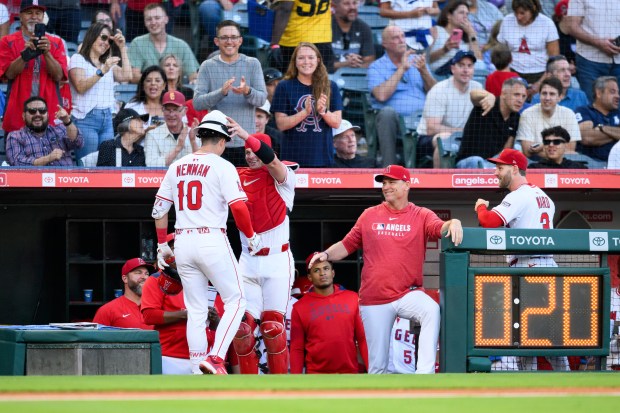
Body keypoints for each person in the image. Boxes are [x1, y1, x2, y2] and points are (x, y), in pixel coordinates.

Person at [308, 164, 463, 374]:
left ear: (407, 185)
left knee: (431, 310)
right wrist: (325, 254)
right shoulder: (369, 215)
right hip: (375, 298)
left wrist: (453, 222)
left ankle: (424, 375)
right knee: (378, 366)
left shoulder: (421, 214)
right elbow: (347, 245)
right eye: (384, 183)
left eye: (392, 182)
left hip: (407, 293)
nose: (386, 187)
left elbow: (438, 227)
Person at [152, 109, 262, 375]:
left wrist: (162, 245)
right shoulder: (223, 166)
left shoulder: (177, 165)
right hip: (211, 236)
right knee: (237, 300)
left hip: (183, 241)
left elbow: (158, 209)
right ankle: (215, 358)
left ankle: (196, 368)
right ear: (223, 140)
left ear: (201, 136)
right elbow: (238, 207)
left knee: (197, 310)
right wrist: (251, 236)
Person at [473, 148, 570, 372]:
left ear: (515, 168)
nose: (495, 173)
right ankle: (566, 380)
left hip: (529, 268)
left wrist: (480, 206)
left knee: (524, 333)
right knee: (549, 335)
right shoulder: (543, 196)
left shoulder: (518, 195)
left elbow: (488, 221)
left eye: (500, 168)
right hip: (549, 268)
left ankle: (529, 381)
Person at [221, 121, 298, 375]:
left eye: (255, 150)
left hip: (277, 261)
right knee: (242, 329)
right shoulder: (237, 175)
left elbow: (273, 163)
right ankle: (248, 389)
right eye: (246, 151)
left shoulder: (284, 176)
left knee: (273, 327)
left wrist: (245, 134)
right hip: (248, 260)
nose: (250, 155)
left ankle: (279, 389)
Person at [140, 233, 220, 375]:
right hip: (170, 356)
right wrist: (186, 315)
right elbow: (149, 315)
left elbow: (216, 326)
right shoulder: (157, 279)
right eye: (175, 249)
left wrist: (215, 319)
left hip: (205, 355)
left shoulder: (205, 280)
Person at [193, 20, 267, 167]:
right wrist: (221, 92)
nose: (229, 41)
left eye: (233, 37)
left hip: (246, 143)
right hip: (217, 143)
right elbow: (197, 103)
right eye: (224, 37)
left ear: (240, 40)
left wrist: (247, 91)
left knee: (245, 188)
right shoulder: (207, 66)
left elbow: (261, 100)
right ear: (216, 41)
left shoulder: (253, 64)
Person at [368, 25, 436, 167]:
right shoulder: (376, 67)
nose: (401, 40)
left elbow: (436, 94)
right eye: (395, 38)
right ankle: (390, 168)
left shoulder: (417, 60)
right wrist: (402, 69)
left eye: (403, 36)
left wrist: (424, 71)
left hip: (423, 120)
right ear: (384, 44)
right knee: (386, 113)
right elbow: (381, 95)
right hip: (396, 121)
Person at [289, 252, 369, 374]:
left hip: (349, 373)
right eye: (316, 270)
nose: (322, 273)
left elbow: (362, 339)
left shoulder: (352, 298)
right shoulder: (299, 307)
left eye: (326, 268)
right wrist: (295, 381)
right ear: (310, 277)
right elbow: (297, 348)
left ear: (333, 272)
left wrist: (373, 371)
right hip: (316, 375)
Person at [0, 0, 67, 135]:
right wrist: (24, 56)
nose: (34, 16)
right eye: (29, 12)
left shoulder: (55, 42)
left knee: (52, 155)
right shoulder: (7, 41)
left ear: (43, 16)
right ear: (20, 16)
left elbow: (59, 76)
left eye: (38, 13)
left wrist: (47, 53)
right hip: (18, 112)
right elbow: (8, 75)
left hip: (49, 113)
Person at [69, 22, 132, 161]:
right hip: (85, 120)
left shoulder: (106, 63)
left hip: (107, 120)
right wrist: (103, 71)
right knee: (87, 166)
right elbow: (80, 87)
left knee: (106, 165)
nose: (106, 43)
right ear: (92, 36)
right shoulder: (78, 59)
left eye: (109, 40)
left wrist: (122, 48)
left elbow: (127, 76)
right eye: (103, 37)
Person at [272, 42, 343, 167]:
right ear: (295, 61)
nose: (306, 62)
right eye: (301, 58)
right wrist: (305, 112)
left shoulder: (331, 86)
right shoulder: (284, 86)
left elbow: (336, 122)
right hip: (291, 160)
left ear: (318, 60)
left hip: (322, 159)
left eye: (310, 57)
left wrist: (323, 111)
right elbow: (281, 124)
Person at [416, 50, 483, 168]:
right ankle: (440, 183)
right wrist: (461, 131)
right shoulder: (439, 90)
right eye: (461, 65)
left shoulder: (477, 88)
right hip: (427, 140)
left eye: (469, 66)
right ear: (453, 69)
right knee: (445, 139)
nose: (466, 70)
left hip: (462, 137)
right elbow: (431, 128)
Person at [456, 77, 527, 168]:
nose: (520, 100)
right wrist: (489, 95)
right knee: (477, 160)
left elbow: (506, 150)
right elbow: (473, 94)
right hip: (468, 162)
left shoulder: (516, 117)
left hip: (491, 165)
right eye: (516, 95)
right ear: (504, 94)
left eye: (523, 96)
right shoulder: (487, 103)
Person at [561, 0, 620, 103]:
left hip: (618, 62)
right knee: (591, 106)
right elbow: (572, 27)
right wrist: (598, 43)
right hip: (589, 61)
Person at [128, 4, 199, 84]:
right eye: (149, 19)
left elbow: (193, 75)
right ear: (144, 22)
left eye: (157, 18)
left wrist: (193, 80)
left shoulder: (181, 45)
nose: (153, 22)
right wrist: (158, 81)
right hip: (147, 93)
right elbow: (133, 76)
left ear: (166, 19)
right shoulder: (137, 43)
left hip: (175, 93)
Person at [497, 0, 559, 90]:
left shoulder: (547, 23)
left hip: (539, 73)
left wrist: (540, 83)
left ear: (533, 9)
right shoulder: (507, 21)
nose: (518, 17)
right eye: (516, 13)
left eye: (522, 13)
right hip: (512, 72)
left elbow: (554, 60)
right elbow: (500, 53)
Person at [6, 96, 83, 166]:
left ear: (47, 114)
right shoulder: (15, 136)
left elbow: (78, 143)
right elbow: (16, 162)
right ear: (24, 116)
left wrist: (67, 121)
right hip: (32, 180)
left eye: (42, 111)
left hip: (64, 178)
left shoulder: (60, 129)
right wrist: (48, 158)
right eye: (32, 111)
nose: (37, 114)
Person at [516, 76, 581, 158]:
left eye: (552, 94)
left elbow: (570, 150)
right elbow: (527, 151)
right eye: (544, 93)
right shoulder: (527, 114)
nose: (547, 98)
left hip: (562, 165)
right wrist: (556, 149)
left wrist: (542, 147)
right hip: (534, 163)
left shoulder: (569, 114)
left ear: (560, 97)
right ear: (539, 95)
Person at [268, 0, 335, 74]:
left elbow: (285, 9)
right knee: (320, 80)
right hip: (323, 39)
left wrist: (274, 42)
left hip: (295, 40)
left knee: (292, 81)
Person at [93, 257, 155, 329]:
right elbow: (95, 338)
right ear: (125, 279)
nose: (144, 277)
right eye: (138, 273)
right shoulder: (107, 310)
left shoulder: (156, 308)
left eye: (147, 274)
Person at [143, 91, 200, 167]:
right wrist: (178, 148)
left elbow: (202, 164)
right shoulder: (152, 135)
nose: (171, 114)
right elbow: (151, 165)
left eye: (175, 109)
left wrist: (193, 142)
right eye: (167, 109)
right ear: (162, 110)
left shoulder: (193, 133)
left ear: (184, 111)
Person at [428, 0, 482, 77]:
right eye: (461, 13)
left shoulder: (466, 38)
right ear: (449, 15)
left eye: (467, 14)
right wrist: (444, 50)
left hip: (462, 75)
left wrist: (471, 34)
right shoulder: (436, 31)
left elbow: (479, 62)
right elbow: (427, 60)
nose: (465, 16)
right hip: (440, 73)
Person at [575, 76, 620, 163]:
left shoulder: (618, 113)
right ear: (599, 93)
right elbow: (587, 138)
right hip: (591, 163)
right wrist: (616, 135)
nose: (617, 96)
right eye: (612, 92)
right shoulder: (584, 111)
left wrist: (601, 128)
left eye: (618, 92)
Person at [331, 0, 376, 72]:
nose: (352, 7)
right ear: (334, 6)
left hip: (356, 77)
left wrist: (356, 65)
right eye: (346, 3)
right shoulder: (324, 28)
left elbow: (369, 61)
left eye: (354, 3)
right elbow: (319, 64)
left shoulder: (364, 27)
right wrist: (345, 64)